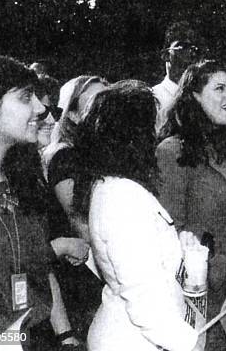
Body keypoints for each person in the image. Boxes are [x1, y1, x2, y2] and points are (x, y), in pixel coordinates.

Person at [73, 81, 199, 351]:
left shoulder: (110, 186)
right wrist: (190, 345)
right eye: (151, 129)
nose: (156, 137)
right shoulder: (123, 198)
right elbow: (144, 301)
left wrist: (182, 251)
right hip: (135, 341)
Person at [0, 53, 80, 350]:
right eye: (26, 98)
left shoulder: (23, 181)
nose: (39, 108)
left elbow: (39, 271)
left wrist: (66, 336)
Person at [157, 60, 226, 350]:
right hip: (201, 299)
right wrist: (223, 265)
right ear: (194, 97)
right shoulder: (171, 153)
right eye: (219, 88)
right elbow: (169, 237)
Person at [45, 75, 108, 240]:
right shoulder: (64, 157)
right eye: (96, 102)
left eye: (109, 100)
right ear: (73, 115)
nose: (106, 108)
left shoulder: (103, 152)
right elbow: (80, 223)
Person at [153, 22, 203, 132]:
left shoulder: (200, 97)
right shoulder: (155, 96)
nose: (190, 54)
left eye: (193, 49)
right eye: (183, 47)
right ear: (166, 55)